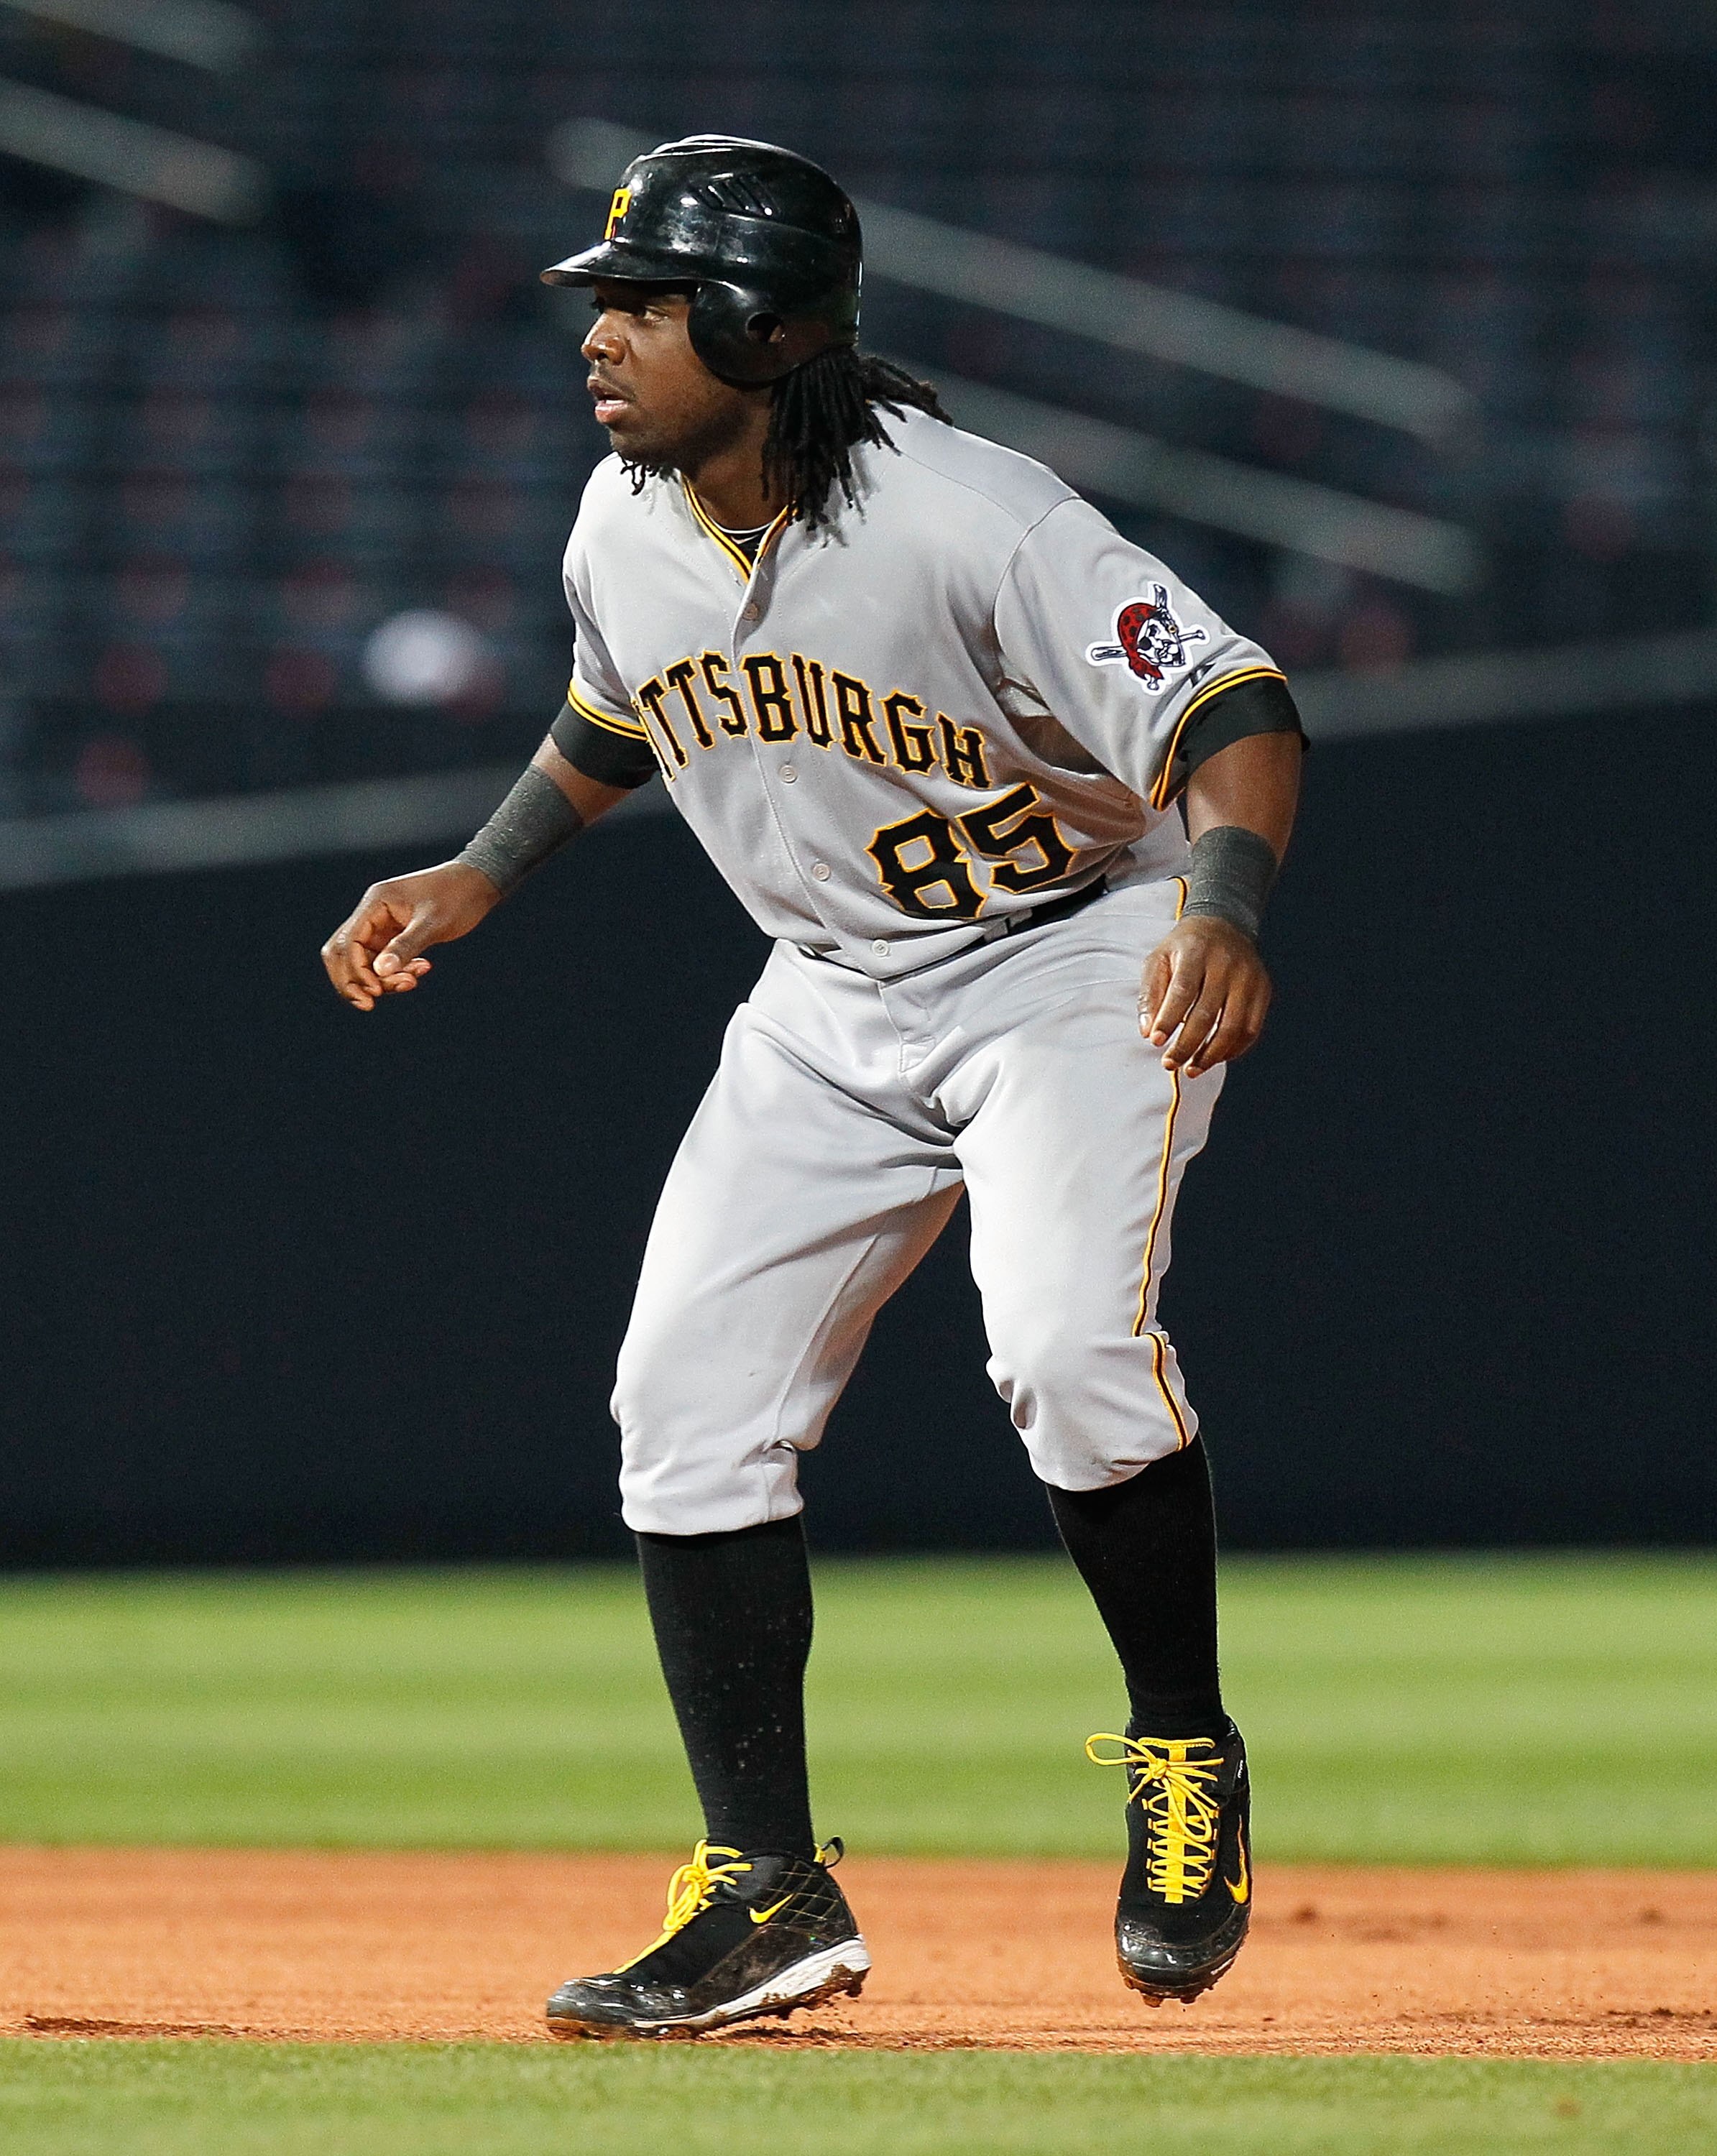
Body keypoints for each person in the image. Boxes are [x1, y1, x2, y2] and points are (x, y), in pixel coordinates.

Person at [321, 136, 1304, 2041]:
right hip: (832, 993)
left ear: (763, 326)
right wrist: (484, 865)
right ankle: (768, 1891)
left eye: (644, 301)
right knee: (681, 1404)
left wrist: (1231, 901)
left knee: (1067, 1356)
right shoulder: (622, 515)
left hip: (1070, 954)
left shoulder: (976, 519)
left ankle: (1183, 1752)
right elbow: (624, 704)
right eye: (601, 300)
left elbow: (1230, 708)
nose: (600, 334)